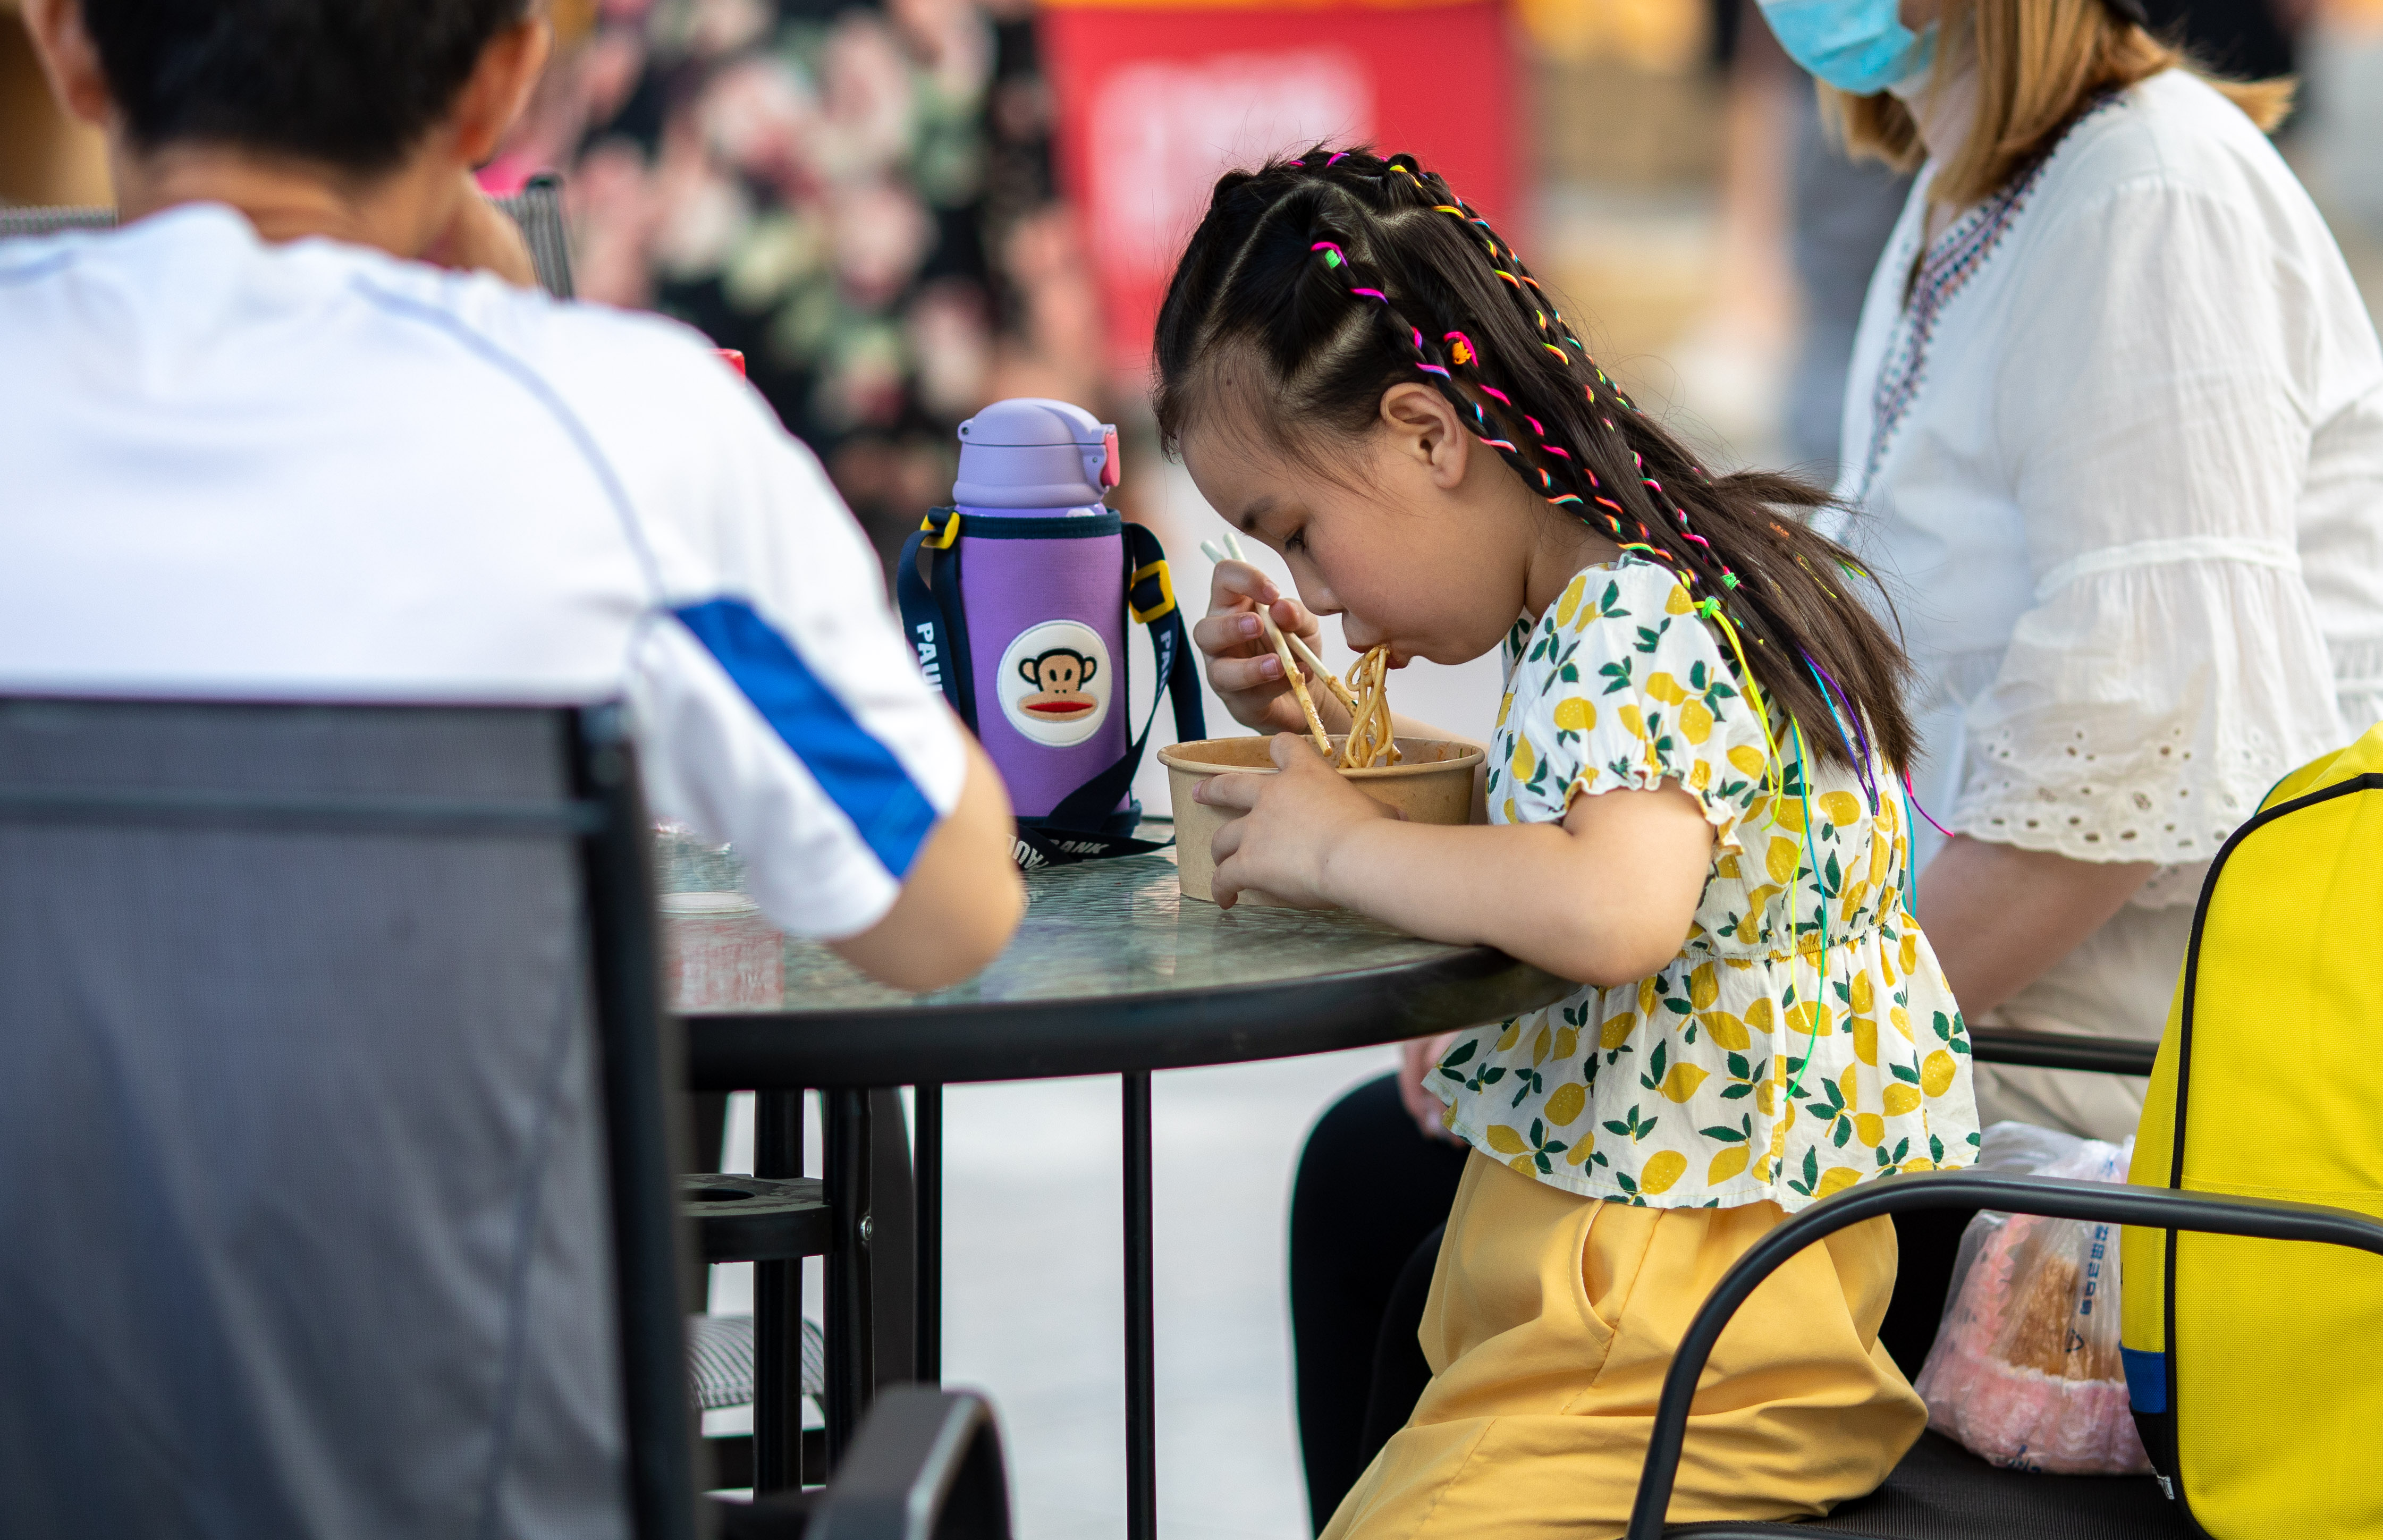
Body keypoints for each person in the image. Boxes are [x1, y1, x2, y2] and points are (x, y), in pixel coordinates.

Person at [1157, 147, 1979, 1535]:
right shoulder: (1642, 585)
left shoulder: (1626, 618)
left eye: (1299, 532)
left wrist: (1340, 847)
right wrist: (1325, 737)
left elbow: (1612, 906)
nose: (1317, 596)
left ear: (1428, 433)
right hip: (1664, 1305)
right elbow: (1566, 831)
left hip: (1670, 1340)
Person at [1, 0, 1025, 990]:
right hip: (447, 1117)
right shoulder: (635, 441)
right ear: (502, 83)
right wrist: (532, 335)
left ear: (64, 35)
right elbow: (949, 908)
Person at [1776, 0, 2383, 1143]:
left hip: (2087, 1095)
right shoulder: (1971, 188)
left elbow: (2132, 748)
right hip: (1980, 1041)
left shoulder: (2150, 193)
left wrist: (1783, 1049)